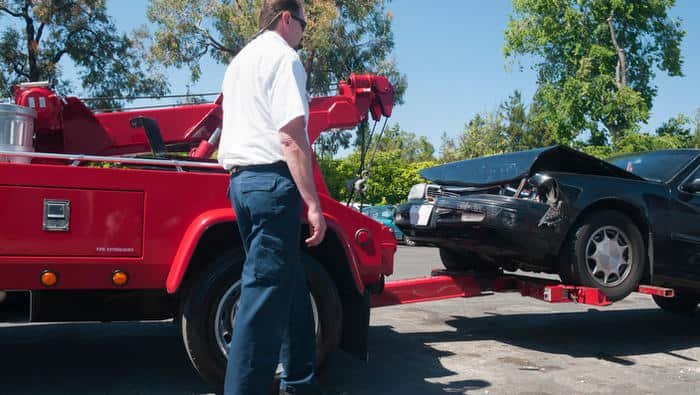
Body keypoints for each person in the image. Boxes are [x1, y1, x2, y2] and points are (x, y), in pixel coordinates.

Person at [217, 1, 327, 394]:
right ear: (286, 19)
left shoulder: (240, 62)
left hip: (241, 184)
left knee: (290, 283)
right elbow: (290, 136)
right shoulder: (284, 58)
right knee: (262, 297)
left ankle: (299, 380)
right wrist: (313, 204)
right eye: (302, 22)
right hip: (271, 185)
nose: (303, 31)